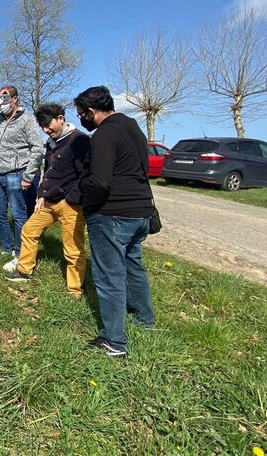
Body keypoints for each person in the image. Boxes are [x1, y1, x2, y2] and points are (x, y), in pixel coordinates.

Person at [74, 85, 155, 358]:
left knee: (109, 276)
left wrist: (89, 207)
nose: (81, 120)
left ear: (91, 111)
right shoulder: (131, 127)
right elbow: (143, 168)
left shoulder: (104, 134)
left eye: (81, 115)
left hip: (112, 213)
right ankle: (145, 320)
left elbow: (101, 180)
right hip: (140, 210)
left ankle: (114, 341)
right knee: (133, 266)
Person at [4, 103, 90, 297]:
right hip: (49, 202)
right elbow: (48, 172)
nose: (45, 129)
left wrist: (71, 199)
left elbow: (86, 175)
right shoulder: (52, 143)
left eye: (48, 124)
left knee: (73, 249)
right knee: (29, 230)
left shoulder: (79, 141)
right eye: (42, 126)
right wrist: (41, 194)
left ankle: (74, 290)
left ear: (61, 118)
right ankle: (24, 271)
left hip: (71, 205)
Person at [0, 85, 44, 260]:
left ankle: (20, 251)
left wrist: (28, 176)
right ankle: (6, 247)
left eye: (5, 98)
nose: (2, 102)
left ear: (15, 99)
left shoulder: (27, 120)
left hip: (17, 173)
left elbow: (37, 149)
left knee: (18, 214)